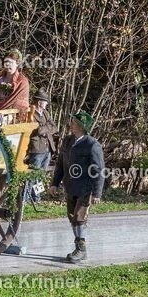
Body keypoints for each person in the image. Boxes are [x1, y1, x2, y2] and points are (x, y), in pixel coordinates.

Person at [50, 111, 105, 263]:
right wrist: (54, 183)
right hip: (70, 187)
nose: (71, 125)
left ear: (81, 127)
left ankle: (81, 249)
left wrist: (97, 193)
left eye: (74, 123)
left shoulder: (92, 144)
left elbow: (99, 170)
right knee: (72, 218)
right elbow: (61, 164)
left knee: (80, 217)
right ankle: (78, 246)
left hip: (85, 188)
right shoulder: (67, 141)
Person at [0, 49, 31, 117]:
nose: (7, 64)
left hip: (12, 115)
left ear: (17, 63)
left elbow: (21, 102)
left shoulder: (22, 81)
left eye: (10, 62)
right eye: (6, 62)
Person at [26, 88, 57, 170]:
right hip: (36, 150)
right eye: (45, 101)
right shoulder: (30, 113)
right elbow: (38, 131)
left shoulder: (45, 113)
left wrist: (45, 128)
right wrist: (47, 127)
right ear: (39, 102)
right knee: (33, 177)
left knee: (42, 177)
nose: (47, 103)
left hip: (48, 149)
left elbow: (55, 127)